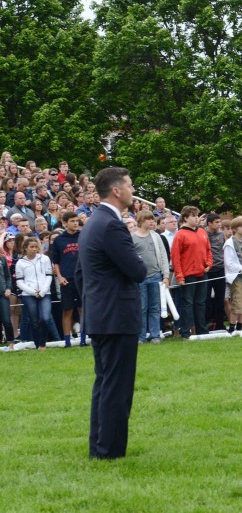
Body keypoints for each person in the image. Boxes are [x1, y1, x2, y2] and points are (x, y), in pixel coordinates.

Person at [77, 167, 147, 460]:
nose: (133, 190)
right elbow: (138, 270)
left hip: (101, 313)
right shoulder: (112, 225)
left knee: (104, 384)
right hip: (117, 314)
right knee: (117, 387)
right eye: (130, 185)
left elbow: (82, 275)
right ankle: (110, 451)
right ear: (116, 190)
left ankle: (100, 447)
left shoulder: (93, 223)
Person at [170, 206, 213, 339]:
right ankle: (186, 330)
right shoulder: (180, 235)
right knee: (187, 303)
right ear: (185, 218)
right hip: (188, 274)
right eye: (193, 216)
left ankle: (201, 329)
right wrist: (179, 276)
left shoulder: (202, 232)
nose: (196, 218)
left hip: (202, 272)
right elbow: (175, 257)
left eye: (196, 215)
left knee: (201, 302)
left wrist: (209, 264)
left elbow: (208, 251)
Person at [130, 210, 170, 344]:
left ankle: (154, 335)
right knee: (141, 307)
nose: (152, 222)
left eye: (153, 219)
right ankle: (140, 336)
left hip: (155, 276)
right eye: (149, 219)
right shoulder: (132, 237)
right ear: (141, 221)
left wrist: (166, 275)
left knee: (155, 307)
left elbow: (163, 256)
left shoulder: (156, 236)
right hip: (140, 278)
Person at [49, 211, 83, 346]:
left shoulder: (84, 236)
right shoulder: (59, 240)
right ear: (65, 223)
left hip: (82, 278)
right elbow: (55, 261)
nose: (75, 223)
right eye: (72, 221)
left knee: (82, 309)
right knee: (67, 310)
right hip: (66, 279)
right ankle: (67, 341)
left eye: (77, 221)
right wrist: (59, 276)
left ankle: (83, 339)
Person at [15, 236, 55, 350]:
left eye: (36, 247)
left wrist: (42, 291)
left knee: (45, 318)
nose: (34, 249)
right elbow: (19, 282)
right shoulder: (20, 263)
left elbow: (48, 276)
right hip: (28, 294)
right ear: (25, 248)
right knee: (34, 321)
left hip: (44, 293)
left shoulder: (45, 259)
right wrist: (32, 291)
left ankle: (43, 344)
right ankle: (39, 345)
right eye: (31, 247)